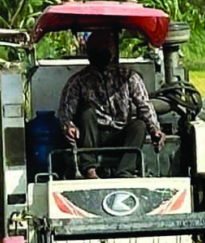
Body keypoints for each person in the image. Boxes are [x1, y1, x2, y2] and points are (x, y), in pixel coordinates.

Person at [57, 30, 163, 180]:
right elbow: (65, 112)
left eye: (105, 48)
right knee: (87, 112)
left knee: (139, 125)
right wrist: (68, 126)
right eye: (96, 49)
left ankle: (125, 172)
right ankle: (90, 170)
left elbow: (144, 105)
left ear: (113, 50)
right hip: (93, 136)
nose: (101, 53)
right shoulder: (78, 81)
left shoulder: (129, 77)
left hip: (120, 133)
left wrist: (154, 128)